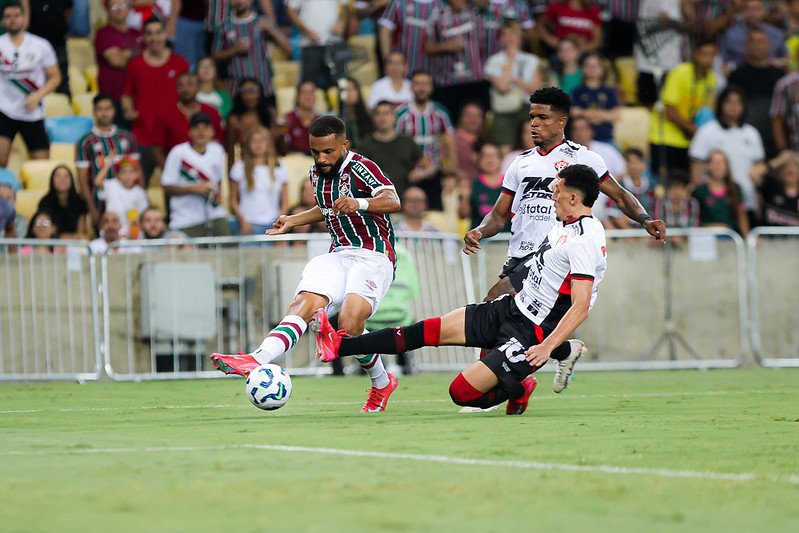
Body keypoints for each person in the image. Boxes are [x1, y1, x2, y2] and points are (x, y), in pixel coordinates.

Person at [312, 164, 608, 415]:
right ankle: (338, 346)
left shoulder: (585, 240)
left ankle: (526, 376)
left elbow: (580, 305)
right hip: (512, 308)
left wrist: (546, 347)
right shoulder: (563, 224)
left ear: (572, 197)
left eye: (556, 190)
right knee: (425, 331)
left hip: (533, 331)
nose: (551, 195)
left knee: (462, 393)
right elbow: (544, 270)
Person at [211, 115, 402, 413]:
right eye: (315, 152)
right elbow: (325, 208)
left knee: (350, 325)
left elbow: (392, 199)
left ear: (344, 145)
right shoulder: (317, 173)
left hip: (373, 255)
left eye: (328, 152)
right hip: (338, 253)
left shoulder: (362, 167)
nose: (322, 159)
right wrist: (292, 220)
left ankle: (381, 382)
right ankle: (257, 358)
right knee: (303, 303)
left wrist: (359, 203)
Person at [463, 87, 664, 329]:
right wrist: (480, 231)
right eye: (532, 117)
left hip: (551, 255)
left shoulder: (583, 158)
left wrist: (645, 219)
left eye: (542, 117)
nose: (534, 124)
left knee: (492, 310)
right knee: (516, 328)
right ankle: (565, 351)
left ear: (561, 122)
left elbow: (620, 196)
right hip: (518, 255)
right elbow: (498, 215)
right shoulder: (520, 162)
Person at [121, 16, 189, 178]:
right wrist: (128, 110)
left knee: (177, 188)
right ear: (143, 37)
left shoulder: (180, 63)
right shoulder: (135, 65)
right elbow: (126, 95)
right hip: (144, 137)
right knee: (138, 187)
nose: (154, 38)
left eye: (158, 33)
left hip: (175, 137)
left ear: (166, 34)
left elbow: (190, 95)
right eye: (149, 34)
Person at [689, 85, 764, 226]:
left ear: (744, 106)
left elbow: (759, 167)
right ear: (720, 104)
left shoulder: (752, 133)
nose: (734, 106)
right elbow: (696, 168)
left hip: (746, 200)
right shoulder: (707, 131)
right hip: (714, 204)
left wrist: (758, 196)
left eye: (738, 103)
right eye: (729, 102)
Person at [0, 1, 61, 168]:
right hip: (4, 111)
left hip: (32, 112)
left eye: (16, 16)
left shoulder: (41, 45)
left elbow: (55, 77)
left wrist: (38, 95)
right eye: (8, 17)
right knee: (0, 161)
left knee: (42, 164)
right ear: (2, 21)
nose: (12, 20)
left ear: (24, 18)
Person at [648, 38, 718, 180]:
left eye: (712, 55)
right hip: (665, 137)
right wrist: (692, 128)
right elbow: (668, 108)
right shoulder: (680, 72)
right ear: (695, 54)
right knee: (661, 183)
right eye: (704, 54)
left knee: (682, 184)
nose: (708, 59)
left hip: (689, 141)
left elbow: (706, 111)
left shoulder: (712, 79)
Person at [160, 112, 231, 237]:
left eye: (205, 128)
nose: (201, 132)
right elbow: (166, 186)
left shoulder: (217, 150)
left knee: (227, 245)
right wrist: (194, 188)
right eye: (196, 128)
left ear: (212, 132)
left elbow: (219, 179)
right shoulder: (178, 152)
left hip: (214, 213)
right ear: (190, 132)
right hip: (185, 217)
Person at [75, 93, 140, 227]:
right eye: (100, 109)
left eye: (108, 108)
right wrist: (92, 209)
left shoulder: (127, 137)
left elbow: (137, 170)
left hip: (126, 202)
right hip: (99, 202)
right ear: (94, 112)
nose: (104, 113)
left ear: (114, 110)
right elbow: (83, 179)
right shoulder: (85, 141)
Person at [395, 70, 457, 210]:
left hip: (434, 176)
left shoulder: (441, 112)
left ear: (432, 87)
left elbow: (450, 145)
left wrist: (451, 174)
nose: (422, 88)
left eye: (426, 84)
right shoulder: (400, 114)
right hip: (407, 175)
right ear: (411, 87)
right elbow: (394, 145)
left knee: (434, 215)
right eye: (417, 84)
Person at [211, 0, 290, 100]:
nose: (239, 1)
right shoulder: (223, 26)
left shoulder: (263, 22)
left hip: (264, 88)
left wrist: (271, 31)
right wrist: (234, 50)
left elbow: (288, 49)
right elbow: (214, 56)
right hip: (237, 90)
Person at [727, 29, 786, 158]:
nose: (758, 46)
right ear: (746, 46)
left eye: (762, 41)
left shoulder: (780, 75)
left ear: (770, 45)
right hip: (746, 139)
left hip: (775, 140)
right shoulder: (737, 75)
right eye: (753, 42)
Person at [483, 23, 541, 154]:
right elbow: (502, 87)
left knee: (532, 145)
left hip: (527, 107)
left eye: (513, 34)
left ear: (521, 37)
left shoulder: (531, 60)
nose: (510, 38)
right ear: (501, 39)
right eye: (505, 34)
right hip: (504, 110)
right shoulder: (494, 61)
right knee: (505, 150)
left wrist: (514, 79)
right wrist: (510, 60)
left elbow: (536, 90)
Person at [426, 0, 489, 119]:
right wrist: (445, 46)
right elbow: (428, 47)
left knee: (479, 120)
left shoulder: (477, 11)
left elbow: (486, 3)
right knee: (451, 119)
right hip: (448, 82)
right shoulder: (437, 16)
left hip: (476, 79)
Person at [229, 126, 289, 236]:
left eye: (261, 141)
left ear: (268, 143)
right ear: (248, 144)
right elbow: (233, 200)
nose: (258, 144)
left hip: (272, 224)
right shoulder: (239, 167)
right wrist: (242, 221)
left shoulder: (279, 167)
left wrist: (279, 225)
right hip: (248, 224)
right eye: (254, 141)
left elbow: (285, 201)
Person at [358, 100, 422, 198]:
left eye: (386, 113)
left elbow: (429, 166)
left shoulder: (407, 141)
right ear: (373, 118)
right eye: (378, 114)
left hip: (405, 201)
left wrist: (420, 173)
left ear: (394, 117)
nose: (382, 118)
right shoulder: (366, 144)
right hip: (377, 202)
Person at [95, 0, 143, 127]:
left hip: (137, 97)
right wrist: (136, 54)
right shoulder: (104, 33)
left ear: (129, 8)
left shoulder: (137, 33)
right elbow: (116, 61)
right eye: (114, 6)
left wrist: (125, 53)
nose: (119, 9)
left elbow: (146, 60)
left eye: (122, 5)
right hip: (113, 98)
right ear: (107, 10)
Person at [634, 0, 689, 108]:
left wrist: (670, 22)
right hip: (645, 62)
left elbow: (691, 25)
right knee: (646, 105)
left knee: (667, 105)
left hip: (670, 63)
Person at [285, 0, 350, 90]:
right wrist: (307, 31)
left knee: (340, 85)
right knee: (308, 86)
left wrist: (341, 22)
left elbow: (346, 6)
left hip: (335, 43)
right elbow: (290, 10)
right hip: (310, 45)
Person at [159, 72, 224, 152]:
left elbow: (218, 140)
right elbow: (157, 146)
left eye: (189, 85)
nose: (185, 89)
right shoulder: (166, 114)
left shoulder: (212, 112)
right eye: (180, 85)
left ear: (198, 87)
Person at [692, 150, 750, 237]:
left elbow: (741, 215)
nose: (718, 166)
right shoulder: (699, 191)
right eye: (714, 162)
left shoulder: (735, 189)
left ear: (727, 166)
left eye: (721, 162)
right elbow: (694, 219)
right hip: (706, 239)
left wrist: (747, 237)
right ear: (708, 166)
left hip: (731, 239)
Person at [720, 0, 787, 71]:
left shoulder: (777, 34)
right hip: (739, 74)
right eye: (748, 9)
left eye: (757, 9)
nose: (753, 13)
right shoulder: (731, 35)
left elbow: (787, 59)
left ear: (764, 12)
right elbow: (723, 60)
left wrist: (777, 62)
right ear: (742, 13)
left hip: (772, 74)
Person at [378, 0, 440, 76]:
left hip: (436, 70)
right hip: (404, 69)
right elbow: (385, 31)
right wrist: (388, 62)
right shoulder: (399, 2)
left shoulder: (443, 3)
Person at [570, 53, 621, 145]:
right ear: (583, 68)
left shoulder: (609, 91)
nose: (592, 69)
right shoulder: (577, 91)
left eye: (595, 66)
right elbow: (573, 111)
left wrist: (589, 114)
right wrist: (601, 115)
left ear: (602, 69)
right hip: (582, 140)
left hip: (605, 137)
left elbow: (616, 115)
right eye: (588, 65)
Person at [94, 155, 149, 238]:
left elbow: (144, 215)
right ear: (117, 174)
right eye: (123, 172)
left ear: (137, 174)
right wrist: (108, 164)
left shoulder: (140, 192)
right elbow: (98, 182)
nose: (128, 175)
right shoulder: (111, 185)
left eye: (131, 172)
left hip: (131, 235)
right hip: (111, 233)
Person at [459, 142, 508, 232]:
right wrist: (464, 197)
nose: (489, 160)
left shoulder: (510, 183)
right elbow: (463, 215)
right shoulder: (472, 184)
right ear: (479, 160)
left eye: (492, 156)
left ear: (500, 160)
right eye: (485, 156)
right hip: (480, 242)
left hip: (506, 239)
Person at [36, 165, 88, 239]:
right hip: (51, 243)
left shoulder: (79, 202)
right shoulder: (45, 202)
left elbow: (81, 233)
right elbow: (45, 232)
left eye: (66, 176)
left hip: (74, 245)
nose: (62, 179)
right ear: (52, 180)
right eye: (58, 176)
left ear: (72, 181)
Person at [759, 150, 799, 226]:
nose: (789, 170)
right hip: (768, 236)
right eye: (785, 166)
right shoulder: (771, 187)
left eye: (794, 166)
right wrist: (777, 161)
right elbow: (754, 175)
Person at [280, 80, 320, 155]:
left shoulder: (321, 121)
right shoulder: (288, 119)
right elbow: (282, 149)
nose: (308, 96)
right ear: (297, 97)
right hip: (293, 161)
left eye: (311, 93)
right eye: (304, 92)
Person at [453, 102, 485, 183]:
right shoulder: (451, 140)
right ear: (460, 118)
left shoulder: (486, 141)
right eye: (469, 115)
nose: (473, 119)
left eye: (477, 116)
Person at [196, 57, 233, 121]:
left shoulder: (224, 96)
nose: (206, 69)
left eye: (210, 66)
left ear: (215, 71)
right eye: (202, 66)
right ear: (197, 72)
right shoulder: (192, 96)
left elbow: (228, 118)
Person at [342, 77, 374, 150]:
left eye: (353, 89)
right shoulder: (337, 119)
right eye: (346, 90)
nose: (350, 93)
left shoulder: (369, 117)